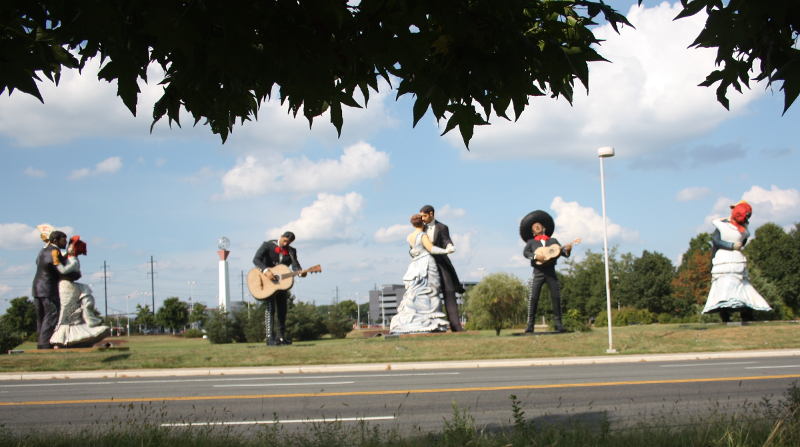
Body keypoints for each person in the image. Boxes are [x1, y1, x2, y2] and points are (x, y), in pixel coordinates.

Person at [703, 200, 771, 322]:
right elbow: (716, 241)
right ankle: (725, 315)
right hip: (724, 261)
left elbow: (743, 240)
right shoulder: (721, 225)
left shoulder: (743, 229)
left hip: (737, 262)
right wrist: (731, 246)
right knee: (724, 287)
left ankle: (746, 314)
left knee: (742, 287)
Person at [390, 214, 451, 334]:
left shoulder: (409, 237)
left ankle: (417, 316)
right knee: (432, 290)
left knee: (416, 291)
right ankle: (430, 318)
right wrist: (446, 250)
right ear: (422, 223)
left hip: (415, 265)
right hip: (426, 264)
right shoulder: (423, 235)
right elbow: (431, 248)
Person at [520, 210, 578, 333]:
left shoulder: (554, 241)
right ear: (533, 231)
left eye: (538, 225)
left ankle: (559, 325)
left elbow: (563, 254)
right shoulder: (531, 242)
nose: (536, 226)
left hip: (551, 272)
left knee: (556, 297)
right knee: (533, 298)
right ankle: (530, 325)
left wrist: (568, 249)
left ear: (544, 228)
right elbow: (526, 253)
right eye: (534, 226)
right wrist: (536, 257)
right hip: (538, 272)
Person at [50, 236, 110, 347]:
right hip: (63, 286)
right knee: (65, 313)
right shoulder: (66, 256)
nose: (70, 248)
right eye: (70, 246)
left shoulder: (73, 261)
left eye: (73, 247)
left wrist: (55, 259)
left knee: (67, 313)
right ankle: (61, 339)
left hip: (68, 287)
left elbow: (62, 270)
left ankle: (65, 340)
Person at [253, 231, 305, 345]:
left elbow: (295, 265)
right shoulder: (267, 245)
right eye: (285, 240)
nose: (286, 244)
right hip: (267, 282)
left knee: (282, 311)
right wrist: (266, 271)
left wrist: (300, 272)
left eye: (289, 242)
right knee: (270, 309)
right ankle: (269, 338)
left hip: (282, 284)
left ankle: (281, 337)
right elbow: (256, 259)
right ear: (281, 237)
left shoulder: (292, 251)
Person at [419, 205, 465, 331]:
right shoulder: (420, 228)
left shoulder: (442, 227)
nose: (422, 218)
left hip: (440, 263)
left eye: (424, 215)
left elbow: (446, 240)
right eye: (421, 216)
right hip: (424, 265)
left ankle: (456, 326)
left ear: (431, 214)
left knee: (449, 291)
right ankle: (426, 326)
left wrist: (450, 246)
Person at [31, 230, 68, 349]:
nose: (66, 242)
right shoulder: (54, 250)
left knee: (41, 317)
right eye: (64, 239)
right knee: (52, 314)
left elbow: (39, 262)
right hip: (47, 288)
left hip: (37, 287)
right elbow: (59, 267)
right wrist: (68, 257)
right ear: (56, 240)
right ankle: (45, 344)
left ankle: (42, 343)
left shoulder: (43, 250)